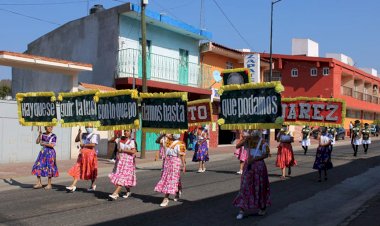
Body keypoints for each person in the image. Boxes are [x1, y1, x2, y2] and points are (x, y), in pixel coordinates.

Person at [233, 130, 271, 219]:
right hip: (248, 166)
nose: (253, 133)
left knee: (259, 186)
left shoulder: (263, 142)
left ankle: (262, 207)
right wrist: (245, 139)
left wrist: (254, 159)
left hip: (259, 167)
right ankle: (242, 210)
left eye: (254, 132)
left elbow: (266, 154)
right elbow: (237, 146)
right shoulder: (248, 141)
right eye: (252, 132)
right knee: (245, 186)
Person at [154, 134, 186, 207]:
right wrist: (163, 134)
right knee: (170, 178)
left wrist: (184, 165)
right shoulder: (168, 142)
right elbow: (158, 141)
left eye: (173, 134)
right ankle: (178, 192)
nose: (172, 135)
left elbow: (182, 155)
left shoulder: (181, 144)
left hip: (175, 162)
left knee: (171, 179)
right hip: (167, 161)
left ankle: (166, 198)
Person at [66, 126, 99, 192]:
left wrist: (84, 145)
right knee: (77, 167)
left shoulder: (94, 135)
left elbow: (93, 145)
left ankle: (92, 184)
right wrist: (79, 133)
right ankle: (73, 185)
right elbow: (76, 140)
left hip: (90, 155)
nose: (88, 128)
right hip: (82, 154)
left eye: (90, 127)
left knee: (90, 169)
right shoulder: (83, 134)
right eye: (87, 127)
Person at [108, 130, 137, 200]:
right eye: (125, 131)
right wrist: (115, 136)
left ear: (130, 133)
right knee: (120, 176)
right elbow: (110, 141)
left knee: (122, 178)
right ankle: (128, 191)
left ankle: (115, 193)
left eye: (128, 131)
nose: (126, 132)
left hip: (128, 162)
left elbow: (134, 151)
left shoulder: (132, 141)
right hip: (120, 161)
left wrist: (123, 151)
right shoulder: (120, 139)